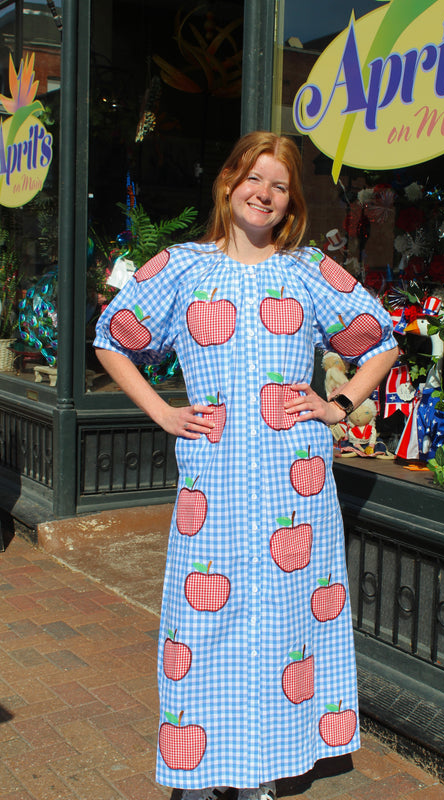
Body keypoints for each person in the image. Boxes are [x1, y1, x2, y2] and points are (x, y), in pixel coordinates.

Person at [94, 131, 398, 800]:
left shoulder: (307, 270)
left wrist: (339, 402)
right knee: (201, 620)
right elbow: (111, 338)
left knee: (284, 621)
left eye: (279, 185)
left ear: (290, 203)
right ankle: (201, 772)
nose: (263, 192)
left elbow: (381, 339)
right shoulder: (181, 266)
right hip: (217, 477)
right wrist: (164, 413)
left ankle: (263, 766)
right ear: (229, 182)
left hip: (298, 479)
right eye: (253, 177)